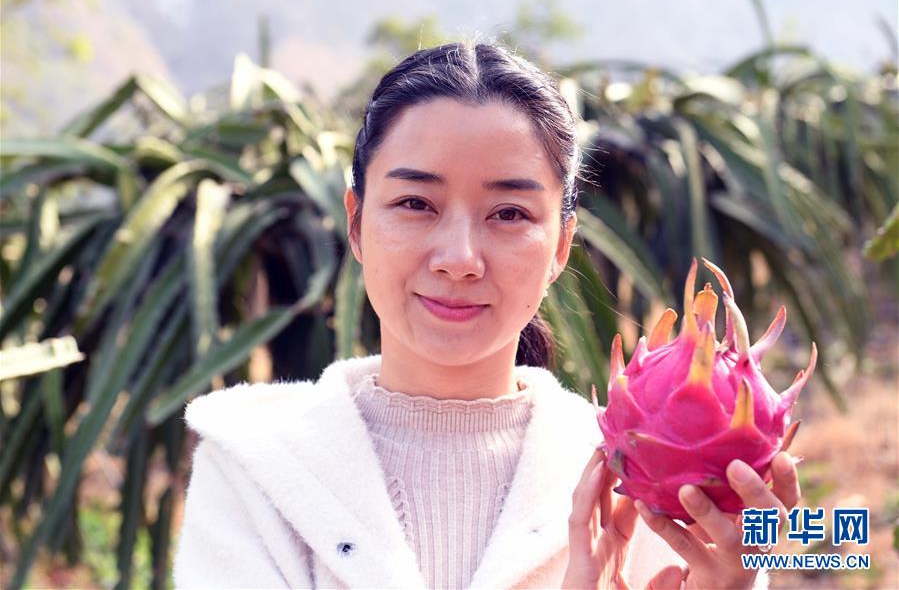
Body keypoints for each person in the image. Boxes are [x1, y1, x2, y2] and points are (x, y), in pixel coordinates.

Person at [172, 40, 798, 589]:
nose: (460, 259)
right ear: (356, 224)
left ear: (561, 247)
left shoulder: (650, 476)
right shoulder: (254, 473)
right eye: (416, 203)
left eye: (509, 214)